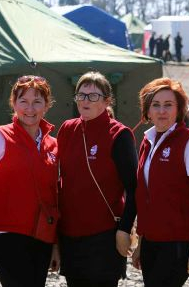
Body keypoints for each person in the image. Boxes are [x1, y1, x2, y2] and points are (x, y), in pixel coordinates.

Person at [57, 71, 138, 286]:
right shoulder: (67, 129)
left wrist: (125, 229)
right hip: (70, 234)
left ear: (107, 101)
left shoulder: (119, 134)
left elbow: (134, 188)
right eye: (81, 95)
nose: (85, 100)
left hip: (104, 236)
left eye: (93, 96)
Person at [0, 75, 59, 286]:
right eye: (23, 101)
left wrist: (56, 244)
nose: (30, 108)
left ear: (47, 105)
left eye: (37, 102)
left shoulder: (54, 145)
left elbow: (56, 195)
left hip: (42, 234)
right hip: (5, 233)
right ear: (13, 103)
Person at [131, 78, 189, 286]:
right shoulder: (147, 141)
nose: (161, 111)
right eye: (155, 105)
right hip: (150, 242)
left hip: (177, 243)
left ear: (179, 109)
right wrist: (140, 244)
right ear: (147, 110)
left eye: (168, 105)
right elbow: (146, 197)